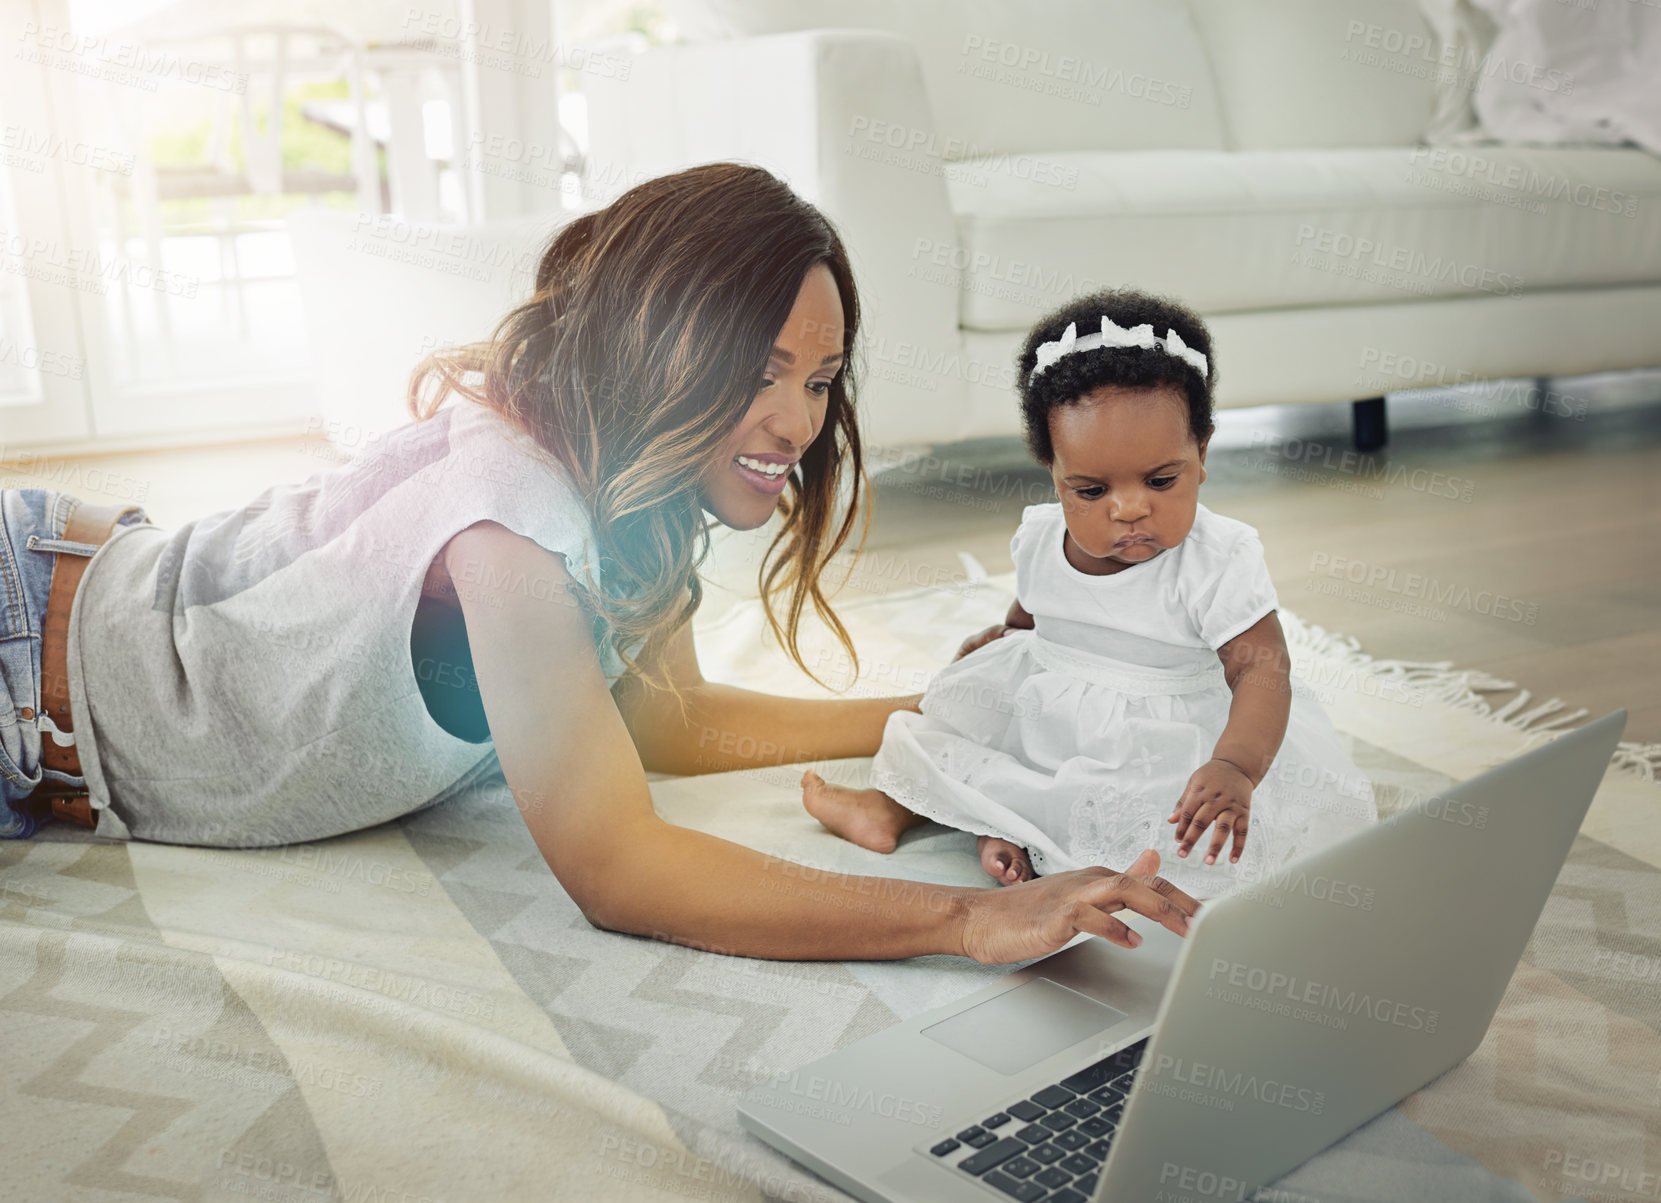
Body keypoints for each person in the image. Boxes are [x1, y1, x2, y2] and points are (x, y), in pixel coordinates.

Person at [0, 163, 1197, 964]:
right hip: (29, 646)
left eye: (817, 382)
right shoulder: (510, 526)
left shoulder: (631, 497)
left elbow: (663, 727)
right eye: (758, 369)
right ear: (657, 349)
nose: (794, 421)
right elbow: (619, 868)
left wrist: (937, 705)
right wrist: (968, 917)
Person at [801, 288, 1378, 898]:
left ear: (1201, 453)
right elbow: (1034, 607)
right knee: (950, 726)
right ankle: (893, 808)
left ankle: (1012, 827)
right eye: (1091, 490)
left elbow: (1263, 669)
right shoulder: (1040, 536)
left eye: (1160, 480)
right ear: (1053, 472)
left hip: (1164, 734)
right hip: (1053, 707)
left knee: (1152, 819)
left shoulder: (1216, 559)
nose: (1129, 508)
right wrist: (1006, 638)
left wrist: (1235, 765)